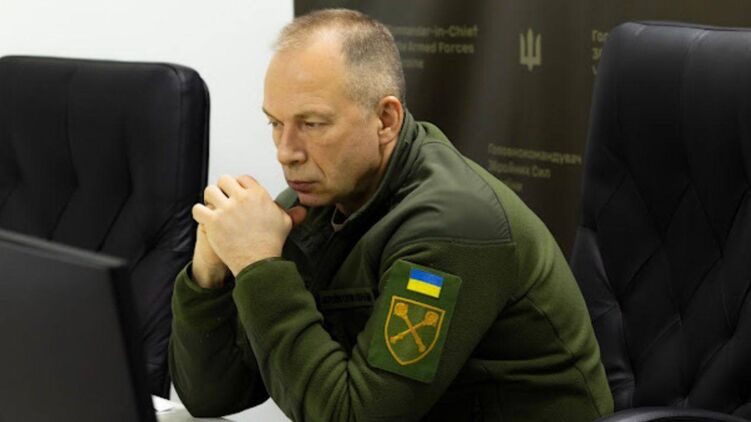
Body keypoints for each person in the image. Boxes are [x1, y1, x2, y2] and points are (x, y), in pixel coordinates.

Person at [169, 8, 613, 421]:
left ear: (385, 120)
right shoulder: (320, 199)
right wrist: (210, 273)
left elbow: (355, 416)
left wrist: (260, 266)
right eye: (275, 123)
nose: (286, 152)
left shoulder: (451, 226)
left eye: (313, 124)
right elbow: (211, 396)